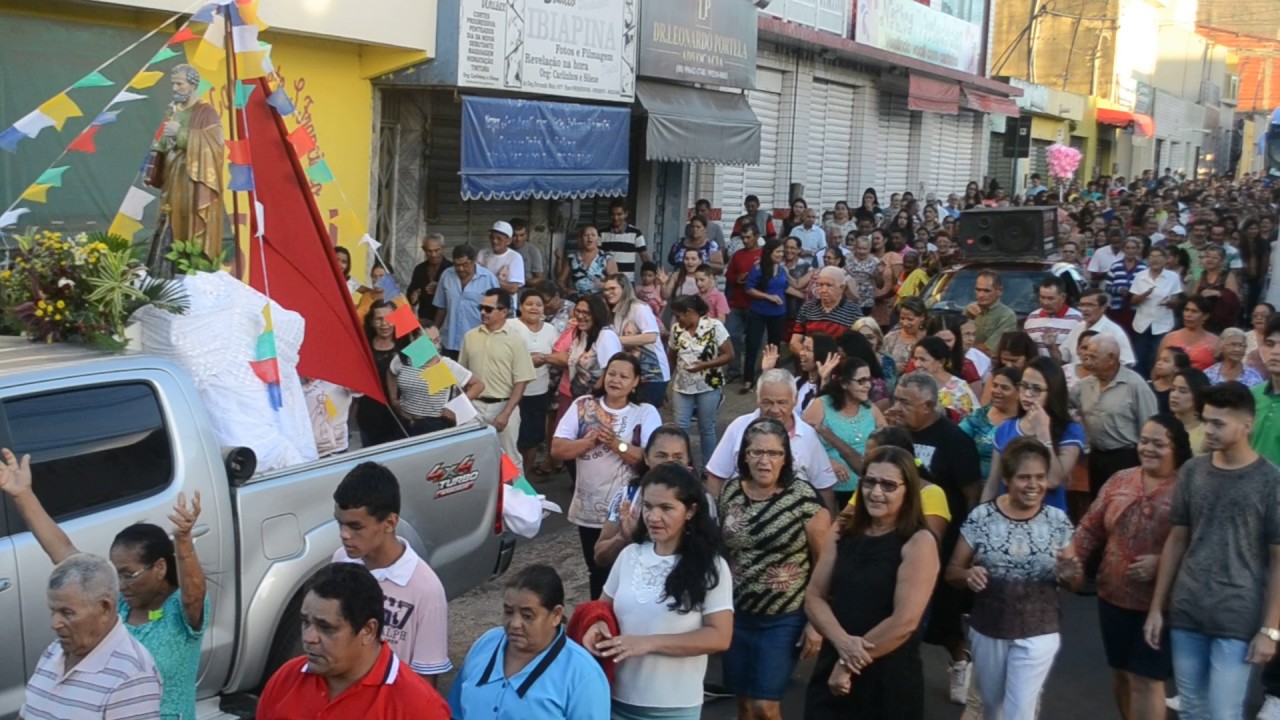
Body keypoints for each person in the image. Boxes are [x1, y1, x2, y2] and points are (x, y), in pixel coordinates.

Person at [0, 448, 207, 719]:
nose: (121, 583)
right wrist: (22, 495)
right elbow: (63, 552)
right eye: (117, 574)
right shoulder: (114, 603)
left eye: (128, 574)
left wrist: (182, 540)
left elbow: (194, 594)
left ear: (158, 568)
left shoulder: (179, 613)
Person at [1143, 382, 1280, 720]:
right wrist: (1157, 608)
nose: (1209, 429)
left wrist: (1270, 630)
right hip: (1187, 607)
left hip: (1237, 613)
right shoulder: (1192, 471)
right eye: (1206, 421)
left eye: (1219, 423)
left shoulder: (1271, 481)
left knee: (1223, 713)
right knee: (1192, 709)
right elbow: (1177, 539)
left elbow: (1279, 560)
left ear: (1246, 426)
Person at [580, 463, 733, 720]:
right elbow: (602, 607)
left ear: (691, 511)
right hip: (613, 699)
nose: (653, 517)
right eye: (648, 506)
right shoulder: (630, 555)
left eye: (666, 508)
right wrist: (596, 624)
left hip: (673, 707)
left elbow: (719, 637)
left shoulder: (711, 566)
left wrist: (649, 643)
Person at [946, 437, 1080, 720]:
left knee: (1019, 710)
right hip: (989, 627)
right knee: (993, 706)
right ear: (1007, 479)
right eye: (1024, 478)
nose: (1034, 485)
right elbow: (952, 571)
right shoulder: (982, 517)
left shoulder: (1057, 521)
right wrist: (969, 574)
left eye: (1040, 477)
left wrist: (1070, 574)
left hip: (1040, 629)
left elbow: (1074, 581)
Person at [803, 446, 940, 720]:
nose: (876, 493)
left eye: (889, 485)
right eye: (870, 482)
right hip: (834, 665)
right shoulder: (843, 530)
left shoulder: (919, 542)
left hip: (888, 678)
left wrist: (848, 663)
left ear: (908, 490)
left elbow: (904, 622)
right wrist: (843, 644)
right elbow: (814, 596)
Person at [1070, 414, 1190, 720]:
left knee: (1146, 679)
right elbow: (1090, 527)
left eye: (1159, 444)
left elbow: (1201, 544)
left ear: (1176, 448)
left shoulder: (1187, 488)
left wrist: (1162, 562)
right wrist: (1073, 560)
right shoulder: (1120, 480)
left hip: (1161, 604)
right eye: (1145, 441)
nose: (1148, 448)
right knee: (1122, 673)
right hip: (1112, 594)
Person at [718, 417, 831, 719]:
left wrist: (816, 623)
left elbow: (825, 564)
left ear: (786, 458)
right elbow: (722, 550)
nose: (764, 461)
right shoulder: (730, 492)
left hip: (784, 617)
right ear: (744, 455)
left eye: (773, 453)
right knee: (743, 703)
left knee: (765, 706)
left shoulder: (804, 499)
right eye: (756, 452)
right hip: (737, 614)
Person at [888, 373, 983, 703]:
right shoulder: (895, 435)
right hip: (896, 537)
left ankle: (960, 660)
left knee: (944, 616)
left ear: (929, 406)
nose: (897, 407)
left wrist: (964, 548)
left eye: (905, 402)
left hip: (940, 542)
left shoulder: (954, 441)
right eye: (896, 398)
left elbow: (971, 494)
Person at [256, 564, 451, 719]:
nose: (308, 638)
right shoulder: (286, 679)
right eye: (305, 622)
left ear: (368, 631)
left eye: (326, 627)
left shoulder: (419, 709)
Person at [551, 353, 662, 599]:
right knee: (598, 571)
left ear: (635, 382)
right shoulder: (583, 405)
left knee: (633, 570)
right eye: (611, 373)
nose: (616, 380)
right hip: (590, 509)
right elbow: (558, 449)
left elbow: (651, 458)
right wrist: (586, 443)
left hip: (630, 509)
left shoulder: (644, 413)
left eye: (624, 376)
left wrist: (616, 444)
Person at [331, 462, 451, 683]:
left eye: (355, 526)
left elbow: (425, 681)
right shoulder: (341, 561)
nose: (344, 535)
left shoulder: (426, 589)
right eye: (340, 524)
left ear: (390, 522)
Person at [448, 564, 609, 720]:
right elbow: (455, 712)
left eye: (527, 615)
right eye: (508, 612)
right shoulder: (484, 646)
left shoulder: (583, 675)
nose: (515, 623)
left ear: (556, 615)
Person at [22, 554, 163, 719]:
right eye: (53, 611)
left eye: (67, 613)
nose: (54, 624)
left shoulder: (131, 676)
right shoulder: (54, 650)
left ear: (104, 608)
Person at [705, 369, 839, 513]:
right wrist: (714, 517)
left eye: (782, 403)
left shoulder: (808, 435)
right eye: (767, 402)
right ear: (757, 400)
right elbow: (716, 476)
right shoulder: (739, 426)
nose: (775, 410)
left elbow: (824, 488)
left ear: (795, 400)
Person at [147, 64, 224, 275]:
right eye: (173, 83)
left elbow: (214, 147)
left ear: (192, 85)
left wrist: (181, 133)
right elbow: (164, 143)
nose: (175, 88)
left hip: (192, 179)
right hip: (171, 175)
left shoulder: (206, 113)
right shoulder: (172, 111)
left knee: (188, 218)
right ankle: (167, 266)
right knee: (169, 219)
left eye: (179, 83)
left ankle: (192, 264)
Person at [982, 357, 1085, 513]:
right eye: (1024, 386)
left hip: (1049, 519)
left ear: (1053, 392)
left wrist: (1043, 432)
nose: (1028, 394)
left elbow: (1052, 480)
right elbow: (993, 482)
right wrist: (981, 517)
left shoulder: (1070, 430)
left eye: (1036, 389)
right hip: (1008, 515)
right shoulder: (1006, 428)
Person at [460, 288, 538, 473]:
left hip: (503, 406)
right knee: (471, 460)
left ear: (503, 312)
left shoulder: (515, 340)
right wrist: (463, 406)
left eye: (488, 309)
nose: (482, 312)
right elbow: (462, 375)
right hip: (474, 407)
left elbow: (522, 381)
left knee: (510, 461)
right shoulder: (470, 337)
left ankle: (519, 501)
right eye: (481, 307)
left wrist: (506, 413)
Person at [593, 426, 693, 567]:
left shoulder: (698, 499)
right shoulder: (627, 497)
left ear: (688, 460)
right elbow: (600, 557)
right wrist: (623, 537)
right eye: (661, 456)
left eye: (678, 457)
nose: (669, 463)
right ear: (646, 458)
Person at [1075, 335, 1159, 498]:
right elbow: (1064, 403)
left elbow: (1150, 426)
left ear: (1111, 358)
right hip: (1096, 456)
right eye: (1086, 355)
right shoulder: (1086, 384)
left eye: (1093, 357)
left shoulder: (1135, 385)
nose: (1088, 360)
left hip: (1124, 458)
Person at [803, 357, 886, 508]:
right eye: (861, 381)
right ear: (844, 383)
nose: (868, 385)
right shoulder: (821, 405)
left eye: (869, 380)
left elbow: (888, 444)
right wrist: (827, 461)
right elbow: (800, 441)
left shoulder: (871, 409)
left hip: (865, 489)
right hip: (830, 488)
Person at [668, 294, 733, 467]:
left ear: (689, 312)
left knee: (706, 427)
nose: (677, 319)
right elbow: (672, 356)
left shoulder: (714, 326)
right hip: (682, 385)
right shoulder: (676, 329)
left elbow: (729, 354)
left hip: (708, 385)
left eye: (679, 315)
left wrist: (705, 365)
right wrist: (669, 379)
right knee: (681, 428)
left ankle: (708, 467)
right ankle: (682, 465)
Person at [387, 322, 483, 435]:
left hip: (434, 425)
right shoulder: (404, 359)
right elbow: (390, 372)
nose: (434, 346)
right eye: (427, 341)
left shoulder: (445, 364)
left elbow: (478, 385)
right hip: (405, 422)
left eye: (436, 341)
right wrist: (393, 399)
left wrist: (457, 407)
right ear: (415, 341)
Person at [546, 295, 622, 425]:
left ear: (597, 314)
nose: (580, 316)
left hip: (596, 404)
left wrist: (595, 397)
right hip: (577, 398)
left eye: (586, 312)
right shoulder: (583, 334)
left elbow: (612, 371)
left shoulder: (606, 336)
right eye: (578, 311)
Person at [509, 288, 561, 475]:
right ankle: (510, 481)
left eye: (538, 305)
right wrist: (527, 359)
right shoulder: (510, 326)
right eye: (529, 304)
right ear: (520, 307)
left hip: (539, 392)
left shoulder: (550, 329)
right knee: (512, 439)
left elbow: (559, 355)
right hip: (513, 392)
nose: (534, 308)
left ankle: (525, 478)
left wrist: (545, 358)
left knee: (532, 439)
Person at [603, 274, 672, 408]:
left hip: (653, 374)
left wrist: (615, 340)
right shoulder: (616, 311)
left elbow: (651, 336)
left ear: (624, 288)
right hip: (632, 374)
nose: (608, 293)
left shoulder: (638, 308)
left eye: (612, 289)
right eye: (605, 290)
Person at [434, 244, 500, 356]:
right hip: (449, 341)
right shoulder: (446, 275)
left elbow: (496, 313)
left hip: (477, 343)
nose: (460, 269)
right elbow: (441, 308)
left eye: (465, 264)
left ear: (474, 261)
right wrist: (433, 333)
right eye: (456, 265)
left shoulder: (488, 279)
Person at [742, 240, 790, 393]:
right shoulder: (758, 269)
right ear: (769, 253)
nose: (781, 255)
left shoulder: (782, 269)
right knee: (753, 345)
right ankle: (748, 379)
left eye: (782, 252)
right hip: (759, 312)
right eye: (778, 252)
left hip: (778, 313)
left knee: (775, 346)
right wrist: (768, 297)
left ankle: (773, 378)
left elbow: (786, 287)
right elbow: (749, 289)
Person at [1129, 246, 1184, 378]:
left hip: (1163, 323)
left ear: (1165, 260)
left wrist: (1169, 303)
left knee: (1158, 356)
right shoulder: (1140, 276)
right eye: (1152, 257)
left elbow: (1177, 301)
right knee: (1140, 356)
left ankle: (1157, 381)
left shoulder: (1173, 277)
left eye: (1159, 257)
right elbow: (1133, 300)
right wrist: (1144, 295)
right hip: (1142, 323)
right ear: (1147, 260)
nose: (1155, 260)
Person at [358, 300, 408, 445]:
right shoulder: (363, 344)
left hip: (401, 414)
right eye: (378, 319)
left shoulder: (408, 343)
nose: (384, 324)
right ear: (371, 322)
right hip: (369, 414)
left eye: (389, 319)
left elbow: (433, 366)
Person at [960, 366, 1022, 482]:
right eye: (995, 385)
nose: (996, 391)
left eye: (1004, 388)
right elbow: (956, 439)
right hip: (977, 485)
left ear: (1019, 392)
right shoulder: (978, 417)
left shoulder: (1025, 422)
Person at [790, 267, 862, 359]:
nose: (823, 290)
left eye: (829, 285)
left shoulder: (854, 311)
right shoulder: (807, 307)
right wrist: (809, 357)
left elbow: (858, 346)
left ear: (842, 288)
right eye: (820, 285)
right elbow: (794, 342)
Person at [725, 222, 764, 381]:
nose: (746, 241)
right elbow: (728, 275)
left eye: (748, 237)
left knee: (755, 341)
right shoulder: (738, 255)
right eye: (743, 238)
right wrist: (737, 278)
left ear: (757, 237)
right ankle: (734, 370)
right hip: (737, 302)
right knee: (732, 335)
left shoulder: (763, 254)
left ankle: (754, 371)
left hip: (756, 304)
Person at [1063, 289, 1138, 367]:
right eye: (1082, 305)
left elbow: (1127, 363)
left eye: (1090, 305)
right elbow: (1063, 356)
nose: (1084, 309)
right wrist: (1051, 347)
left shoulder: (1115, 332)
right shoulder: (1078, 327)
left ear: (1103, 308)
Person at [912, 336, 979, 420]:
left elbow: (973, 419)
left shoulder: (959, 388)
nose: (916, 364)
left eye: (923, 360)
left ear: (941, 362)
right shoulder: (911, 381)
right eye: (915, 359)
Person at [1024, 276, 1084, 362]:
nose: (1045, 302)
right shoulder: (1031, 318)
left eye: (1050, 298)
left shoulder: (1077, 320)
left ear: (1063, 297)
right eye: (1042, 297)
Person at [1158, 296, 1220, 370]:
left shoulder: (1215, 342)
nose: (1188, 315)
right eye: (1186, 310)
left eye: (1194, 311)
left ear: (1205, 316)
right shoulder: (1169, 338)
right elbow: (1157, 368)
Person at [964, 271, 1017, 356]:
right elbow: (956, 339)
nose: (981, 295)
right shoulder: (969, 310)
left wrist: (965, 347)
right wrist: (968, 319)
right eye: (978, 290)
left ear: (999, 291)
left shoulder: (1007, 315)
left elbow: (990, 349)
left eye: (986, 291)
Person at [558, 225, 617, 297]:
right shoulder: (572, 257)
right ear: (581, 239)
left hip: (600, 301)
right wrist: (566, 290)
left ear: (598, 239)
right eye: (586, 235)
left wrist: (604, 285)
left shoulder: (607, 258)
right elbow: (560, 281)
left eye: (593, 235)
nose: (590, 238)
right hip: (577, 299)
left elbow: (615, 282)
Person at [599, 201, 649, 279]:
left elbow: (645, 258)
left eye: (619, 214)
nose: (616, 218)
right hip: (608, 282)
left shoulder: (636, 233)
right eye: (613, 214)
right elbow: (596, 258)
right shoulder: (601, 233)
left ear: (626, 214)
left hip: (627, 283)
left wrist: (650, 278)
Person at [406, 233, 451, 319]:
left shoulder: (451, 269)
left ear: (443, 248)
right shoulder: (419, 269)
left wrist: (439, 288)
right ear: (423, 249)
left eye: (437, 250)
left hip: (446, 319)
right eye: (429, 251)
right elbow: (411, 293)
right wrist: (414, 297)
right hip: (424, 319)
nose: (433, 255)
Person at [478, 221, 527, 294]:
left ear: (509, 241)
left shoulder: (515, 257)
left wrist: (489, 279)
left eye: (499, 238)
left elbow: (513, 288)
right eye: (492, 237)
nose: (494, 241)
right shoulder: (482, 253)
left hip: (503, 302)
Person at [884, 296, 927, 370]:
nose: (905, 323)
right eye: (902, 318)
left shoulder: (929, 339)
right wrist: (895, 370)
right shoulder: (890, 338)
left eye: (910, 319)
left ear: (922, 317)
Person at [1149, 346, 1192, 415]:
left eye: (1165, 361)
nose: (1159, 363)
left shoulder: (1178, 394)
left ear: (1177, 368)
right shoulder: (1147, 386)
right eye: (1159, 359)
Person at [509, 218, 546, 284]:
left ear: (527, 235)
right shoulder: (504, 250)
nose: (518, 239)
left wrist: (522, 282)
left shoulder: (533, 251)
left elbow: (540, 278)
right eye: (514, 235)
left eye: (522, 235)